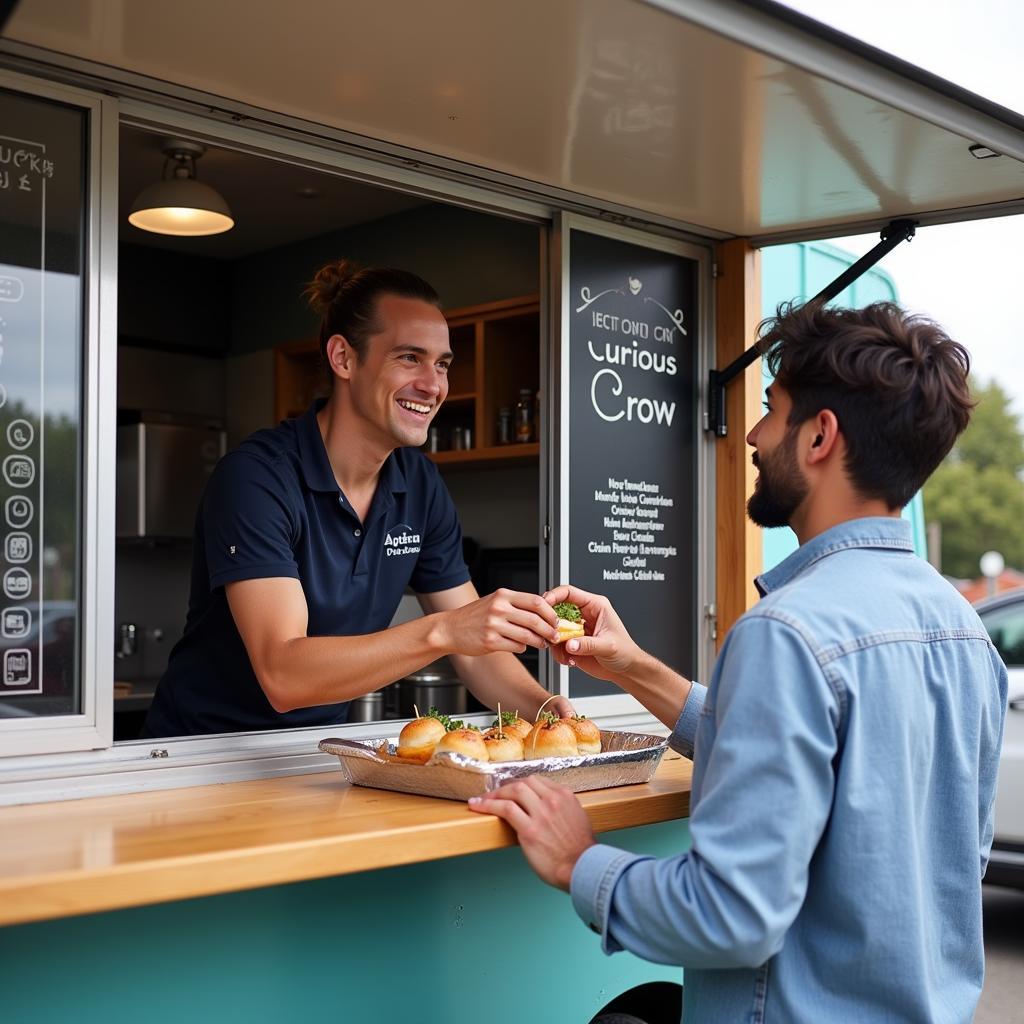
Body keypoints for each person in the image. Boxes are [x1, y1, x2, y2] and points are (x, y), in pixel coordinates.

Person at [470, 301, 1007, 1023]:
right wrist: (632, 667)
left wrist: (579, 862)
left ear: (820, 436)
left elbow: (732, 916)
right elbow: (933, 855)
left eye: (771, 409)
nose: (752, 436)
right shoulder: (964, 630)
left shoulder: (787, 632)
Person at [144, 261, 568, 737]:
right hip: (197, 756)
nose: (434, 385)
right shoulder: (257, 478)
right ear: (343, 358)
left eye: (442, 363)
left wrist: (548, 712)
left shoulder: (419, 485)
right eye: (410, 357)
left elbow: (480, 657)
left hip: (315, 752)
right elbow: (283, 674)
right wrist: (445, 631)